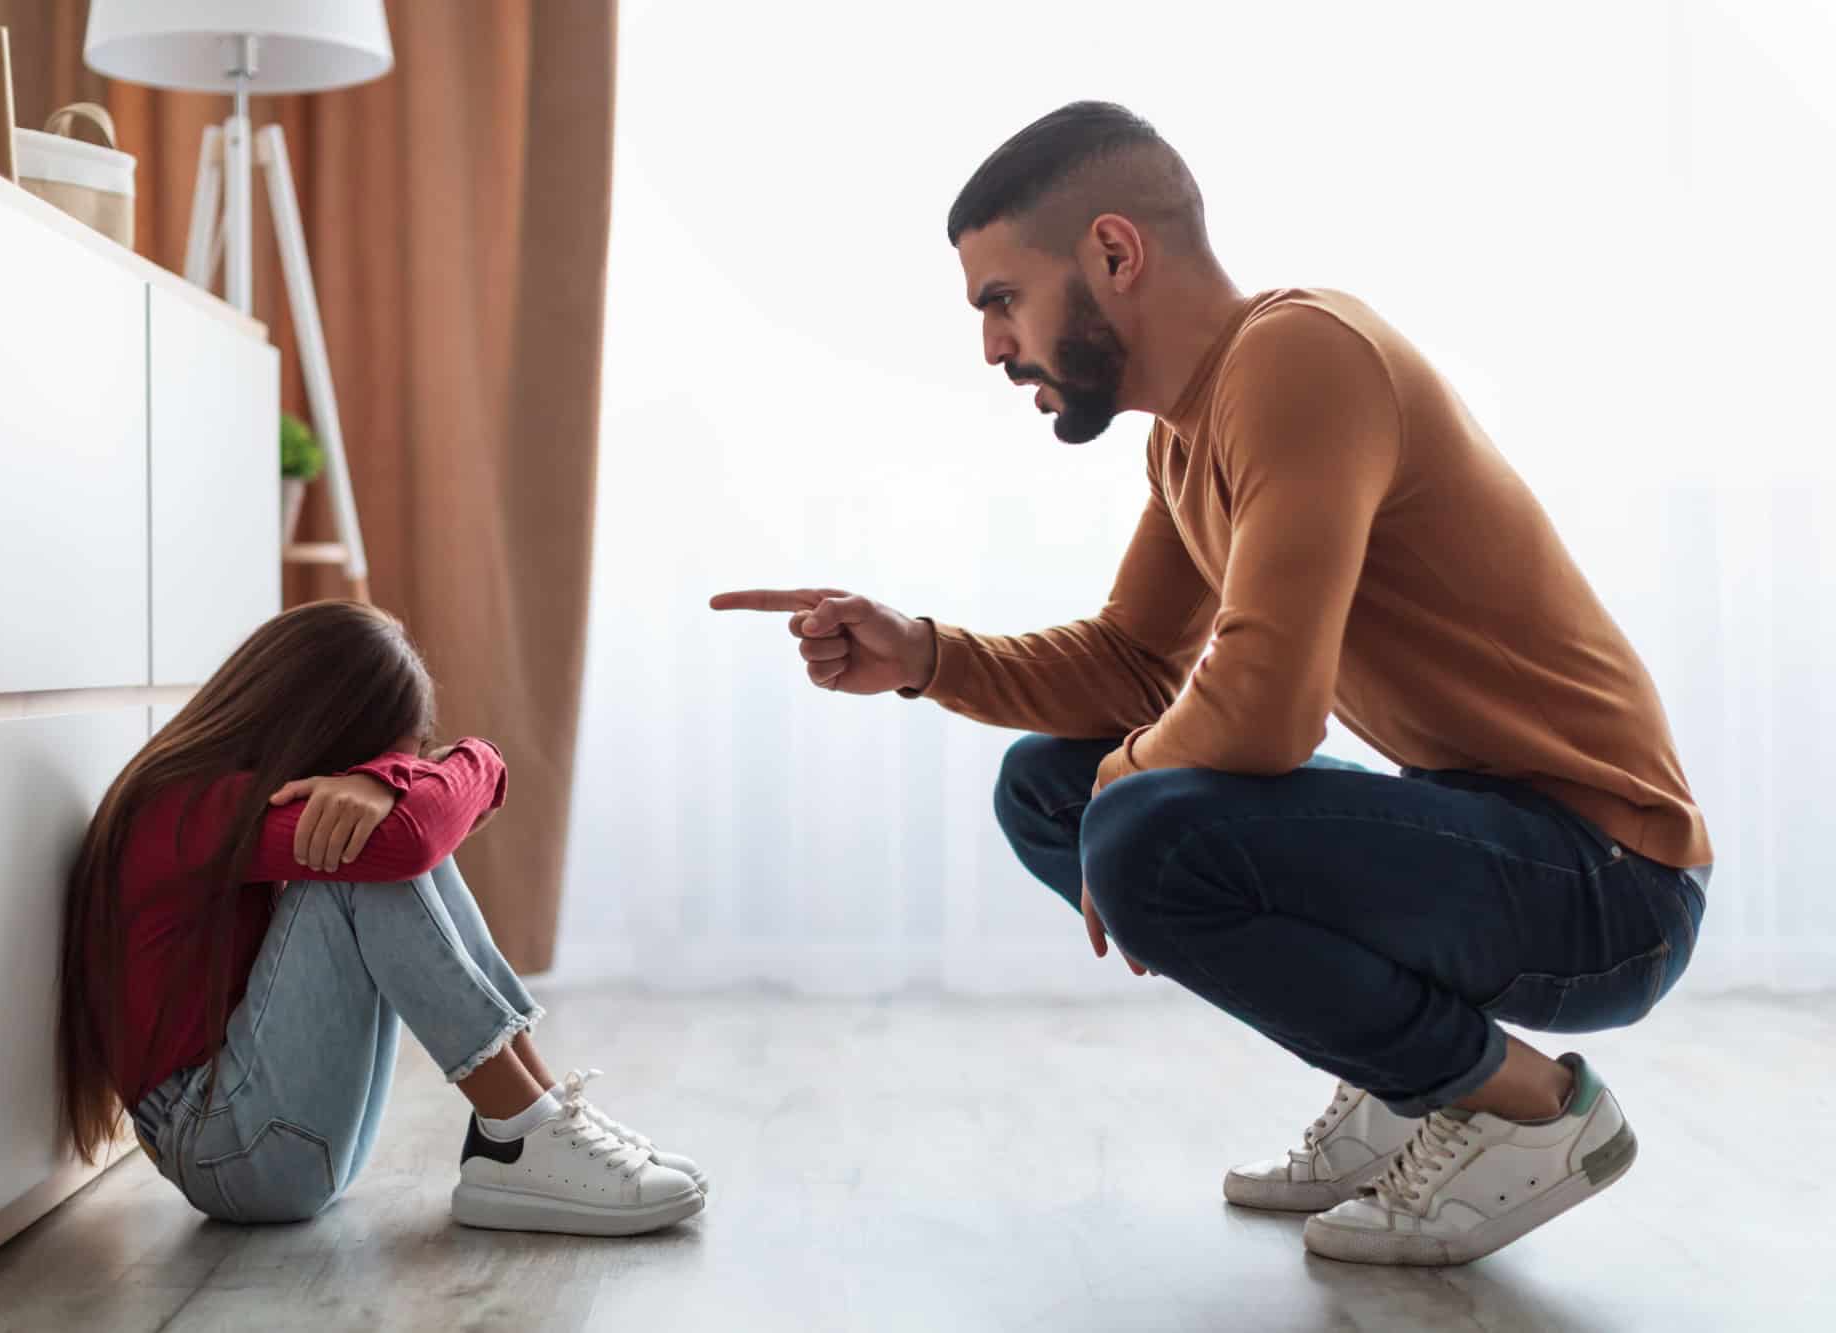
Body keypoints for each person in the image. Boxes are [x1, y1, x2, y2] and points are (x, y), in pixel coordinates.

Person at [712, 101, 1708, 1266]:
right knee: (1048, 789)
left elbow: (1268, 711)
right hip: (1493, 842)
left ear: (1113, 252)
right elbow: (1132, 666)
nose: (991, 347)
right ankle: (1406, 1083)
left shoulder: (1301, 358)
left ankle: (1531, 1111)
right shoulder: (1185, 435)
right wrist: (927, 653)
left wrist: (1126, 813)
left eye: (1002, 299)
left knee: (1135, 827)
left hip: (1608, 884)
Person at [59, 600, 706, 1236]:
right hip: (226, 1149)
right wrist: (445, 769)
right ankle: (518, 1135)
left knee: (370, 848)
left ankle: (538, 1115)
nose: (391, 780)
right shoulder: (187, 807)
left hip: (265, 1136)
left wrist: (394, 778)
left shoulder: (221, 789)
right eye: (376, 765)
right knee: (361, 860)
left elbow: (421, 823)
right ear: (320, 737)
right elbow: (409, 840)